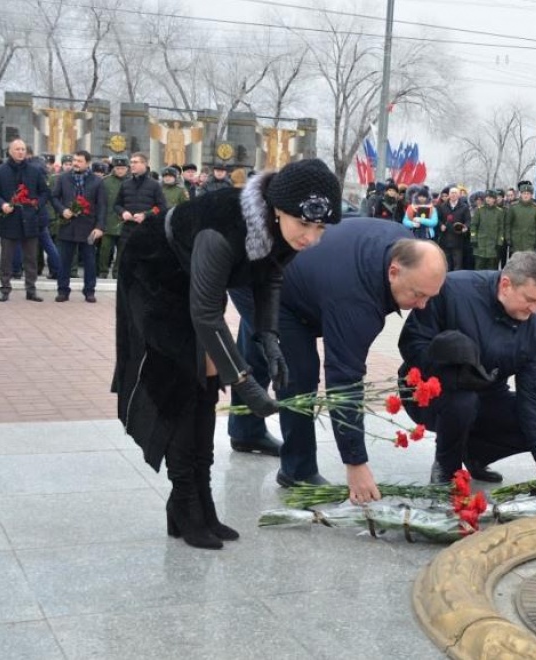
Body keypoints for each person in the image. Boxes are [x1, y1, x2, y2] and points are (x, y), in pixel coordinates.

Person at [113, 158, 343, 550]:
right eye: (304, 225)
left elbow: (270, 275)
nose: (311, 237)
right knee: (183, 386)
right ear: (277, 209)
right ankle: (185, 500)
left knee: (204, 386)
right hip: (154, 277)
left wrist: (269, 338)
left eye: (319, 227)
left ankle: (198, 502)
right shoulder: (224, 229)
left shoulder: (279, 228)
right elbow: (204, 313)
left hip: (194, 281)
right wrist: (243, 379)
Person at [272, 219, 447, 502]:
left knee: (260, 346)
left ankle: (244, 430)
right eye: (418, 294)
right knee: (298, 373)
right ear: (393, 272)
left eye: (430, 295)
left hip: (315, 273)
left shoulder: (405, 248)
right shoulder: (356, 301)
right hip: (277, 283)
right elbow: (344, 378)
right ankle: (297, 469)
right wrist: (355, 462)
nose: (423, 305)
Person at [398, 252, 536, 484]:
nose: (535, 309)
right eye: (530, 299)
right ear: (505, 284)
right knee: (463, 401)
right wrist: (448, 366)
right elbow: (411, 343)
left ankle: (474, 454)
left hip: (488, 394)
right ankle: (447, 467)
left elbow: (534, 395)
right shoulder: (453, 291)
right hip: (432, 392)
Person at [0, 139, 49, 302]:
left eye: (23, 149)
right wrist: (2, 204)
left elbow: (44, 192)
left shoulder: (35, 171)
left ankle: (31, 290)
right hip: (9, 219)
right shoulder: (0, 171)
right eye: (17, 149)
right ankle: (5, 289)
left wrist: (37, 205)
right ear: (10, 151)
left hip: (30, 219)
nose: (20, 152)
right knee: (6, 257)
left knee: (31, 258)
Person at [50, 150, 107, 303]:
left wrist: (100, 227)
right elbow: (54, 198)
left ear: (87, 163)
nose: (75, 163)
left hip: (88, 227)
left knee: (89, 261)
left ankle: (89, 291)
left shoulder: (97, 181)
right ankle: (63, 290)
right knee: (64, 261)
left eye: (79, 161)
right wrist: (62, 210)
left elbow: (102, 206)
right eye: (74, 160)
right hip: (67, 225)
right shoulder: (63, 178)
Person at [114, 152, 166, 257]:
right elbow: (117, 205)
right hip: (127, 231)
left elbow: (161, 207)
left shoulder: (154, 185)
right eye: (131, 162)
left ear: (144, 164)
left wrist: (145, 215)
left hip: (146, 230)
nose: (132, 165)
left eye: (135, 162)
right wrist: (123, 212)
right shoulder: (126, 184)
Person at [99, 155, 128, 278]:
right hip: (108, 220)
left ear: (127, 168)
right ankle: (103, 271)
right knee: (105, 249)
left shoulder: (131, 181)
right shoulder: (105, 181)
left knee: (122, 250)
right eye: (117, 168)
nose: (120, 170)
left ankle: (117, 272)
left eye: (122, 168)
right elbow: (100, 202)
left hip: (125, 221)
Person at [436, 186, 471, 271]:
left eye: (455, 193)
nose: (453, 195)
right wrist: (441, 225)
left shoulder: (464, 207)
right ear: (449, 195)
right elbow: (438, 219)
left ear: (459, 195)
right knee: (447, 264)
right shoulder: (442, 206)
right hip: (445, 239)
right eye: (452, 193)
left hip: (458, 239)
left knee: (457, 264)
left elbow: (468, 220)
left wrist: (465, 227)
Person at [469, 189, 506, 270]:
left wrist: (500, 242)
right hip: (480, 245)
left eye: (490, 198)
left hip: (493, 247)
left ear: (494, 199)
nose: (488, 199)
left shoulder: (499, 212)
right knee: (479, 269)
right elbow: (473, 226)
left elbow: (501, 229)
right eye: (487, 197)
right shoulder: (479, 210)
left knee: (491, 270)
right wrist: (473, 239)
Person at [506, 180, 536, 258]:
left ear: (531, 195)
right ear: (521, 194)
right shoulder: (513, 207)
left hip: (530, 243)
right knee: (515, 266)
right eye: (524, 193)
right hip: (515, 243)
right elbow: (508, 224)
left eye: (528, 194)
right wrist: (508, 238)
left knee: (529, 266)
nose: (526, 195)